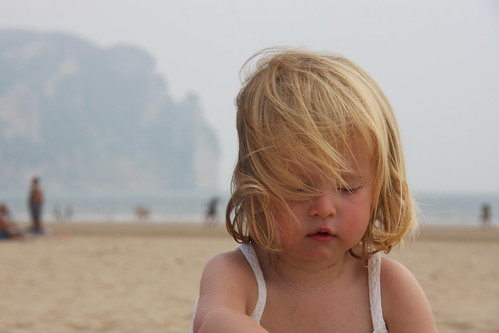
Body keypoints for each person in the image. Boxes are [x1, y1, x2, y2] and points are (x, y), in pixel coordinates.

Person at [190, 48, 437, 333]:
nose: (324, 207)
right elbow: (213, 322)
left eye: (347, 188)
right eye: (299, 188)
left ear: (380, 190)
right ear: (256, 189)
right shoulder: (236, 275)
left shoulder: (389, 289)